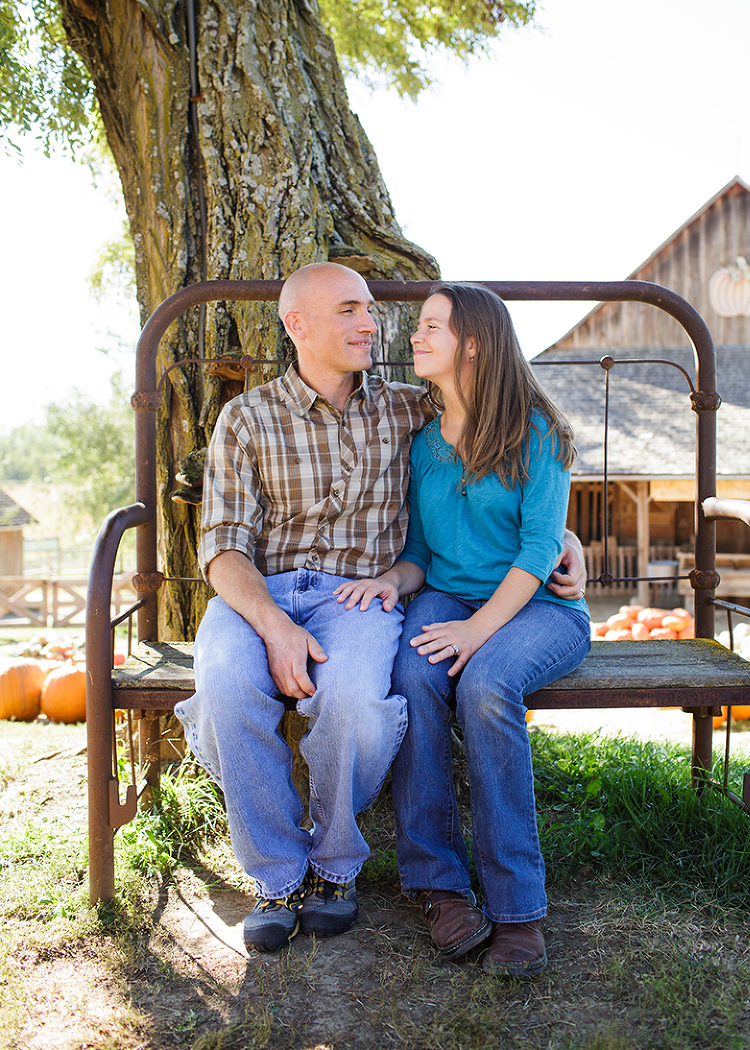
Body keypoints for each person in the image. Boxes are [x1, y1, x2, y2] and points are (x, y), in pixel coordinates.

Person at [175, 264, 587, 954]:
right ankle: (302, 878)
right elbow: (225, 546)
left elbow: (507, 461)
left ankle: (372, 875)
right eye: (350, 310)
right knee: (227, 690)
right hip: (280, 594)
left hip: (430, 600)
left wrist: (561, 542)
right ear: (297, 325)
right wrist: (286, 621)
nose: (376, 325)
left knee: (396, 697)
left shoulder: (416, 409)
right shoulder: (253, 419)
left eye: (375, 310)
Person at [335, 281, 591, 978]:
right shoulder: (423, 445)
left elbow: (540, 550)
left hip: (540, 609)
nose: (414, 337)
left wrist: (478, 630)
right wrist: (392, 581)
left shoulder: (538, 432)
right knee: (412, 673)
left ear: (473, 343)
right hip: (449, 599)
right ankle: (438, 886)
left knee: (484, 685)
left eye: (431, 327)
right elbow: (421, 553)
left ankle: (518, 909)